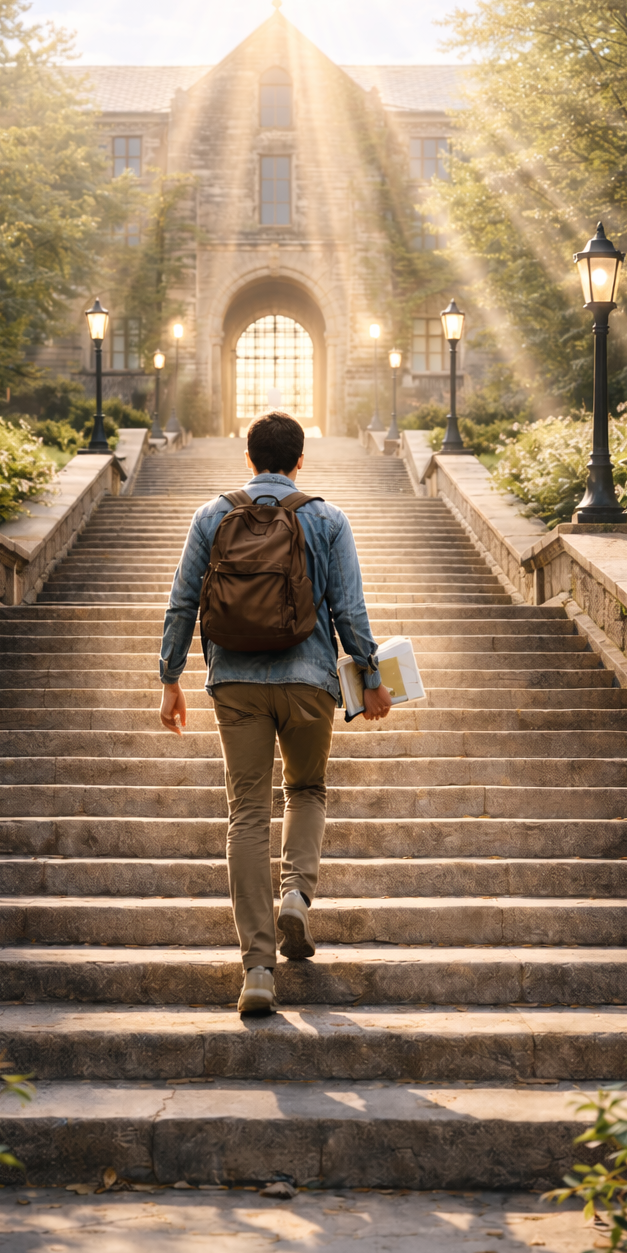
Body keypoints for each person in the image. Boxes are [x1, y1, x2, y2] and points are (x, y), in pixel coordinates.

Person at [158, 411, 392, 1016]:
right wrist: (370, 677)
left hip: (234, 683)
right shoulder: (327, 517)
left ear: (248, 458)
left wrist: (169, 680)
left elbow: (183, 601)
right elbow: (349, 609)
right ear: (299, 460)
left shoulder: (212, 516)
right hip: (311, 681)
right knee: (308, 789)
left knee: (246, 816)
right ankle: (295, 895)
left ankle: (258, 970)